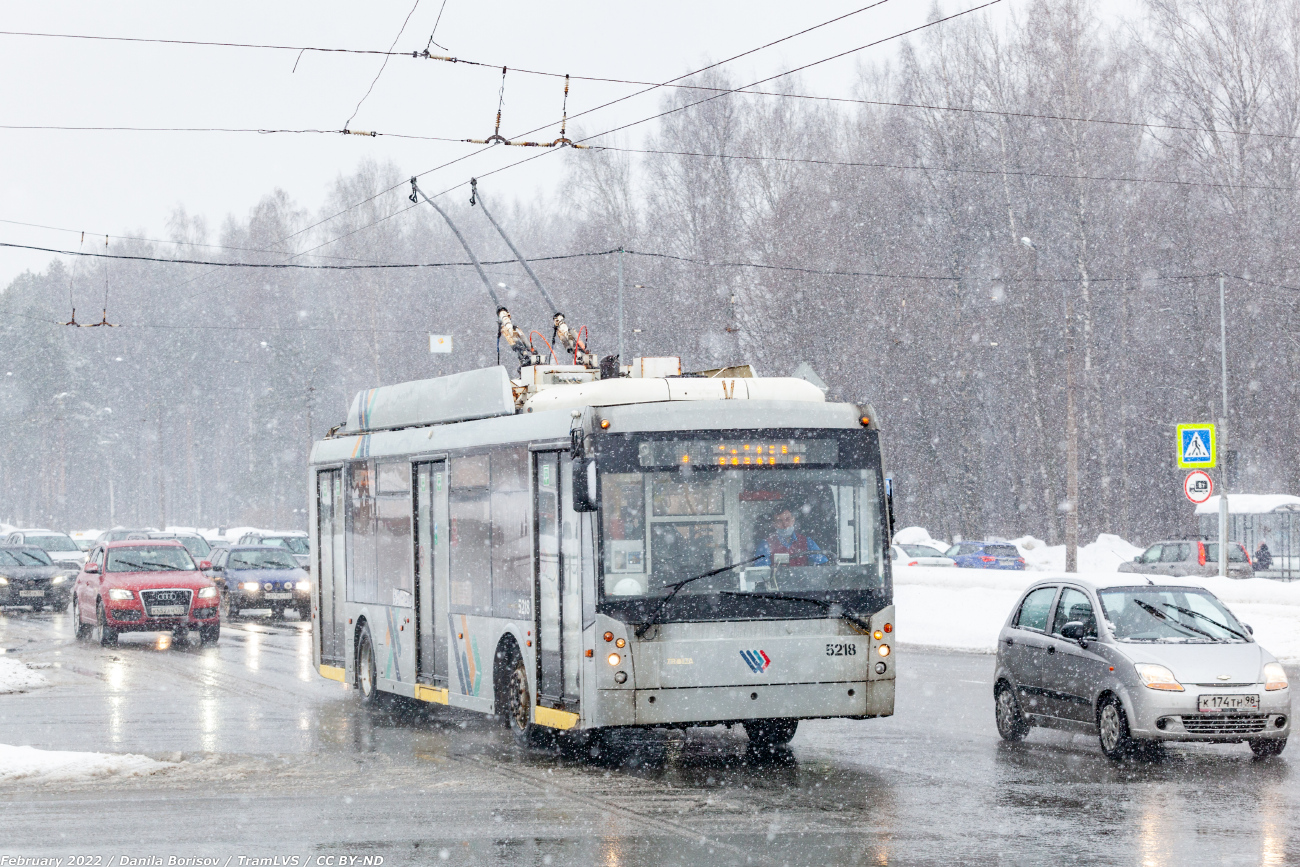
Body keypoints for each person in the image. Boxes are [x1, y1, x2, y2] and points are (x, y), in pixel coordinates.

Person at [756, 509, 828, 566]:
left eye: (787, 519)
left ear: (793, 520)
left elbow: (822, 565)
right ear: (774, 524)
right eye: (779, 521)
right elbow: (762, 572)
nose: (785, 525)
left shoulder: (807, 541)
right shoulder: (766, 544)